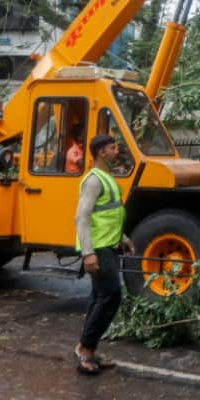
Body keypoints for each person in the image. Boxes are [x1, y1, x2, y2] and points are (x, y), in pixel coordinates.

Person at [73, 134, 134, 375]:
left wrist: (124, 239)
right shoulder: (93, 180)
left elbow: (110, 215)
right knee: (111, 296)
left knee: (100, 297)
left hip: (108, 244)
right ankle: (86, 350)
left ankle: (86, 347)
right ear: (101, 152)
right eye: (112, 147)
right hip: (97, 248)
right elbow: (82, 217)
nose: (116, 150)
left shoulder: (107, 178)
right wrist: (88, 253)